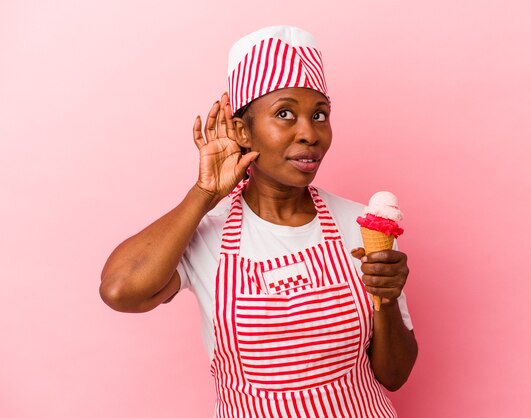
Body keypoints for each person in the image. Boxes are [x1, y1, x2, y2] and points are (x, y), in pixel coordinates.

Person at [100, 25, 417, 417]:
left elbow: (394, 375)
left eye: (320, 115)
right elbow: (119, 290)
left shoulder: (363, 224)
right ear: (241, 130)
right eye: (285, 114)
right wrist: (204, 195)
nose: (309, 133)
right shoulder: (204, 235)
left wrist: (385, 298)